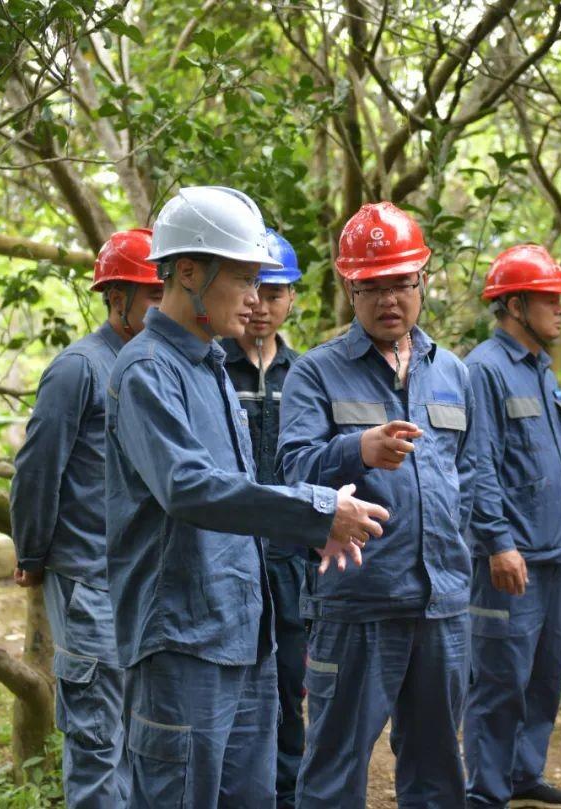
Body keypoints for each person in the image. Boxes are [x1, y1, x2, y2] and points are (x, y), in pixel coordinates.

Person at [104, 186, 389, 809]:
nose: (257, 298)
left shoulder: (209, 366)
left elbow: (241, 496)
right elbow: (189, 488)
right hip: (181, 642)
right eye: (243, 278)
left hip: (244, 635)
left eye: (263, 282)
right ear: (187, 271)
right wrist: (315, 512)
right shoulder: (146, 371)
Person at [277, 201, 476, 809]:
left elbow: (467, 473)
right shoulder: (315, 374)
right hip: (360, 602)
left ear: (422, 279)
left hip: (443, 603)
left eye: (401, 284)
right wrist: (357, 449)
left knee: (439, 770)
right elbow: (293, 470)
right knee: (335, 770)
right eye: (372, 287)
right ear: (349, 286)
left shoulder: (455, 375)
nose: (389, 299)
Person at [9, 228, 164, 808]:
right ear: (115, 297)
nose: (160, 307)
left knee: (148, 735)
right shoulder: (79, 368)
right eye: (150, 297)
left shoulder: (163, 367)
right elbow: (37, 470)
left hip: (151, 580)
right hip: (91, 581)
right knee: (99, 737)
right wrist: (31, 552)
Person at [462, 245, 561, 809]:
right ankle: (486, 792)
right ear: (514, 305)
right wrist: (497, 542)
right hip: (509, 558)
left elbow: (553, 459)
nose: (560, 309)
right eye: (548, 299)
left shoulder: (540, 368)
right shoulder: (484, 370)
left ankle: (522, 776)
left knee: (543, 676)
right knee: (499, 679)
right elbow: (478, 465)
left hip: (551, 552)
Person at [219, 227, 306, 809]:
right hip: (229, 557)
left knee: (291, 684)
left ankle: (289, 791)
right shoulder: (210, 366)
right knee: (235, 685)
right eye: (255, 290)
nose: (263, 307)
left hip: (294, 558)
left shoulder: (306, 373)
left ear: (292, 298)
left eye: (276, 294)